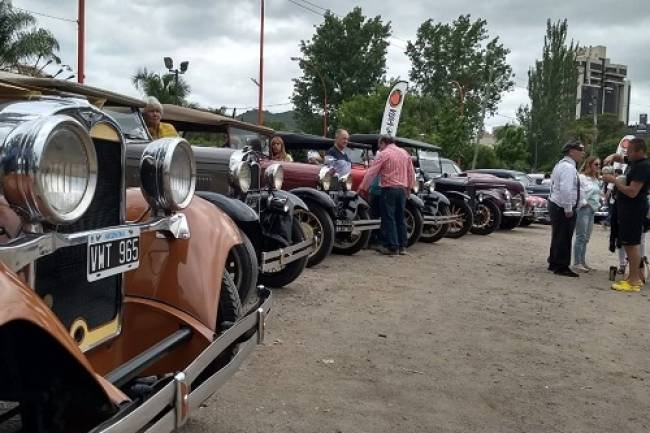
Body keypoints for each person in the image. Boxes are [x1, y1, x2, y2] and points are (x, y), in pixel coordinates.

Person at [603, 138, 650, 292]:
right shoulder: (634, 162)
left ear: (639, 152)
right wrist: (612, 156)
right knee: (629, 243)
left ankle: (634, 281)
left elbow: (632, 192)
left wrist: (614, 181)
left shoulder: (642, 166)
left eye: (629, 152)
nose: (627, 155)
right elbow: (618, 158)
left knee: (632, 244)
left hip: (634, 209)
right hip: (627, 209)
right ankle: (631, 278)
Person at [358, 135, 415, 256]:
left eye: (380, 145)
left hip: (388, 189)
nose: (379, 148)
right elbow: (411, 172)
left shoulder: (384, 154)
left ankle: (392, 247)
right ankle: (402, 246)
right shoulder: (405, 153)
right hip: (402, 190)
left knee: (389, 218)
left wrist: (363, 187)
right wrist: (409, 188)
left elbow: (372, 172)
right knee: (400, 217)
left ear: (384, 143)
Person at [547, 140, 585, 277]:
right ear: (571, 151)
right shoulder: (568, 168)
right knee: (564, 236)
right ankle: (561, 266)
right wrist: (568, 208)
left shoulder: (563, 165)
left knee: (558, 235)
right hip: (562, 206)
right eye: (580, 150)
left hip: (557, 204)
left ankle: (554, 262)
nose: (583, 153)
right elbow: (566, 189)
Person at [573, 156, 602, 272]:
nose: (598, 167)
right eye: (596, 164)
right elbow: (578, 192)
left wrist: (597, 204)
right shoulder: (582, 177)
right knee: (581, 236)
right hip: (583, 209)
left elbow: (597, 194)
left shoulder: (596, 179)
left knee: (586, 237)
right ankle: (576, 262)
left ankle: (582, 260)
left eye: (599, 165)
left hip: (592, 210)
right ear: (589, 165)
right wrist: (584, 203)